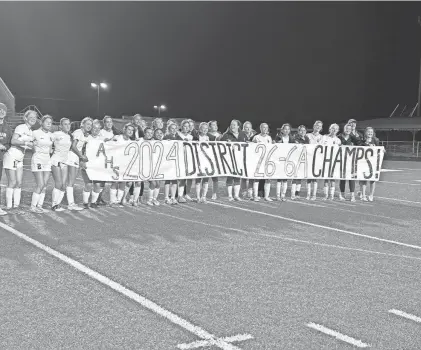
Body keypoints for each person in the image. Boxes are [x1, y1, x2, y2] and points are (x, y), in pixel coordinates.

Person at [3, 110, 37, 213]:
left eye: (35, 117)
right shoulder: (20, 127)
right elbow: (13, 141)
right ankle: (9, 206)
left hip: (20, 157)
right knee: (12, 182)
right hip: (12, 155)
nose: (33, 119)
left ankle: (16, 205)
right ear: (25, 118)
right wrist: (27, 143)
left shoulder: (31, 131)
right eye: (31, 117)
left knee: (19, 182)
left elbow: (30, 146)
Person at [64, 117, 92, 210]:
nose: (89, 126)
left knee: (71, 181)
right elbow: (73, 146)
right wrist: (81, 156)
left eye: (90, 125)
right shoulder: (78, 132)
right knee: (70, 182)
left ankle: (70, 203)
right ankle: (71, 204)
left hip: (75, 158)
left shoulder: (85, 134)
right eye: (87, 124)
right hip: (71, 157)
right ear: (82, 125)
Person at [29, 115, 54, 213]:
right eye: (47, 122)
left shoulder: (51, 135)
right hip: (38, 159)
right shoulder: (35, 133)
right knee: (40, 184)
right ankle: (33, 206)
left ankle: (39, 206)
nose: (49, 124)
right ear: (42, 123)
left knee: (45, 184)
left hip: (47, 160)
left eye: (50, 123)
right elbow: (31, 145)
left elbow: (51, 149)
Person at [109, 123, 136, 207]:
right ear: (124, 129)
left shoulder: (131, 142)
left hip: (125, 165)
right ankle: (112, 201)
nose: (130, 131)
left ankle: (118, 200)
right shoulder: (117, 138)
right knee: (115, 182)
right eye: (129, 129)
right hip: (116, 163)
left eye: (132, 130)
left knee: (123, 182)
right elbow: (108, 146)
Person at [220, 119, 248, 201]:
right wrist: (226, 143)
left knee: (237, 177)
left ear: (238, 126)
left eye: (234, 125)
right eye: (231, 124)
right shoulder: (226, 135)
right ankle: (229, 196)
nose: (232, 126)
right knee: (230, 177)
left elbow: (247, 143)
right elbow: (219, 145)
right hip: (229, 159)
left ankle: (236, 195)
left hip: (239, 159)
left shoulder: (242, 134)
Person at [50, 118, 72, 211]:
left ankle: (58, 204)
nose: (67, 126)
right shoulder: (56, 134)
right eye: (65, 124)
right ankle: (54, 205)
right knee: (58, 183)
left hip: (65, 161)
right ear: (61, 126)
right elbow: (48, 140)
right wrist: (50, 150)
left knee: (63, 185)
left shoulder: (69, 136)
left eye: (69, 124)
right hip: (56, 160)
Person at [337, 123, 359, 202]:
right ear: (344, 129)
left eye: (349, 129)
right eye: (347, 129)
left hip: (351, 160)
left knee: (351, 177)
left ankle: (352, 195)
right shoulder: (339, 136)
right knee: (342, 177)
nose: (348, 130)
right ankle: (342, 194)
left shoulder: (352, 137)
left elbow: (361, 144)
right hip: (341, 160)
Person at [252, 123, 273, 201]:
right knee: (257, 178)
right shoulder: (256, 137)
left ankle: (266, 196)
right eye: (263, 127)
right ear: (260, 128)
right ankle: (255, 196)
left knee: (268, 178)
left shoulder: (269, 138)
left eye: (266, 128)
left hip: (267, 160)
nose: (265, 129)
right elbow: (252, 149)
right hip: (258, 161)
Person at [321, 123, 341, 200]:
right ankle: (325, 195)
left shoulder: (338, 140)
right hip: (325, 161)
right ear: (330, 129)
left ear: (338, 131)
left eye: (336, 129)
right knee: (326, 178)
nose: (334, 130)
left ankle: (331, 195)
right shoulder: (324, 137)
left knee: (333, 178)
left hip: (334, 162)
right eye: (333, 128)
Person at [275, 123, 295, 201]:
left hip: (288, 160)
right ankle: (277, 195)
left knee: (285, 179)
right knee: (279, 178)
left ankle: (283, 195)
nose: (286, 130)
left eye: (288, 129)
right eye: (285, 129)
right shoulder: (278, 137)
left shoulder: (292, 138)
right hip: (280, 160)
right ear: (282, 130)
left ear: (290, 130)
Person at [163, 123, 182, 204]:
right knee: (167, 180)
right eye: (172, 128)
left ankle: (173, 197)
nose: (174, 130)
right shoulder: (166, 137)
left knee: (174, 180)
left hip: (176, 162)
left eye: (175, 128)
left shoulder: (178, 137)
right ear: (169, 129)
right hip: (168, 161)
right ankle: (166, 197)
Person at [360, 127, 380, 202]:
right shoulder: (362, 140)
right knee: (364, 179)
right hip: (364, 162)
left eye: (371, 132)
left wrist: (382, 150)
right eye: (368, 132)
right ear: (365, 132)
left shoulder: (376, 140)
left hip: (373, 162)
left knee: (372, 179)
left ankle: (371, 195)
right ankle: (363, 195)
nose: (370, 133)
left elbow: (380, 149)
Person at [143, 127, 161, 206]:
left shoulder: (154, 141)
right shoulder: (140, 140)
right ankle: (149, 200)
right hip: (144, 166)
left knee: (158, 183)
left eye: (151, 133)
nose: (149, 134)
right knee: (153, 183)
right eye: (148, 132)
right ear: (144, 133)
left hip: (154, 166)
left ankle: (154, 199)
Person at [306, 120, 323, 200]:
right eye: (317, 126)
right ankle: (308, 194)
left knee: (315, 178)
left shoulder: (322, 137)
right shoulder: (308, 135)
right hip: (309, 158)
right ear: (314, 126)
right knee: (309, 177)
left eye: (320, 126)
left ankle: (314, 195)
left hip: (317, 159)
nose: (318, 127)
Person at [0, 103, 12, 215]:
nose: (1, 111)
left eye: (3, 109)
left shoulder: (7, 127)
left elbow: (9, 143)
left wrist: (5, 147)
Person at [177, 120, 194, 202]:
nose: (186, 128)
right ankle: (179, 195)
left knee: (190, 177)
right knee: (182, 178)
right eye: (184, 126)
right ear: (181, 126)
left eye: (188, 126)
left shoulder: (191, 137)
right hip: (180, 158)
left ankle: (187, 194)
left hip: (189, 158)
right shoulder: (178, 135)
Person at [291, 125, 310, 200]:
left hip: (304, 160)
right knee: (295, 177)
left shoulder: (307, 138)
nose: (303, 132)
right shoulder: (295, 138)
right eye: (301, 130)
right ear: (298, 131)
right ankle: (292, 193)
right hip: (296, 159)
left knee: (300, 177)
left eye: (304, 130)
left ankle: (297, 193)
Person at [193, 122, 210, 203]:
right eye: (203, 128)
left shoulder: (210, 137)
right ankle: (197, 197)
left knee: (206, 179)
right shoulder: (195, 137)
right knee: (198, 179)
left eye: (206, 128)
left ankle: (204, 196)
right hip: (198, 160)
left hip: (207, 161)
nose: (205, 130)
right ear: (199, 129)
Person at [207, 120, 222, 200]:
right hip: (207, 157)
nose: (215, 126)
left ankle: (214, 193)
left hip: (216, 157)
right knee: (205, 176)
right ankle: (203, 194)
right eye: (213, 125)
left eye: (216, 125)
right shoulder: (206, 135)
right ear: (209, 127)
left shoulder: (221, 135)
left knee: (215, 177)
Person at [242, 121, 256, 200]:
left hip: (252, 158)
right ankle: (244, 192)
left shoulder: (255, 136)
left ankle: (250, 192)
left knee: (251, 175)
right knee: (243, 176)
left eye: (249, 127)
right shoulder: (240, 135)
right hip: (243, 157)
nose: (248, 129)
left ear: (251, 128)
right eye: (246, 127)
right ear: (243, 128)